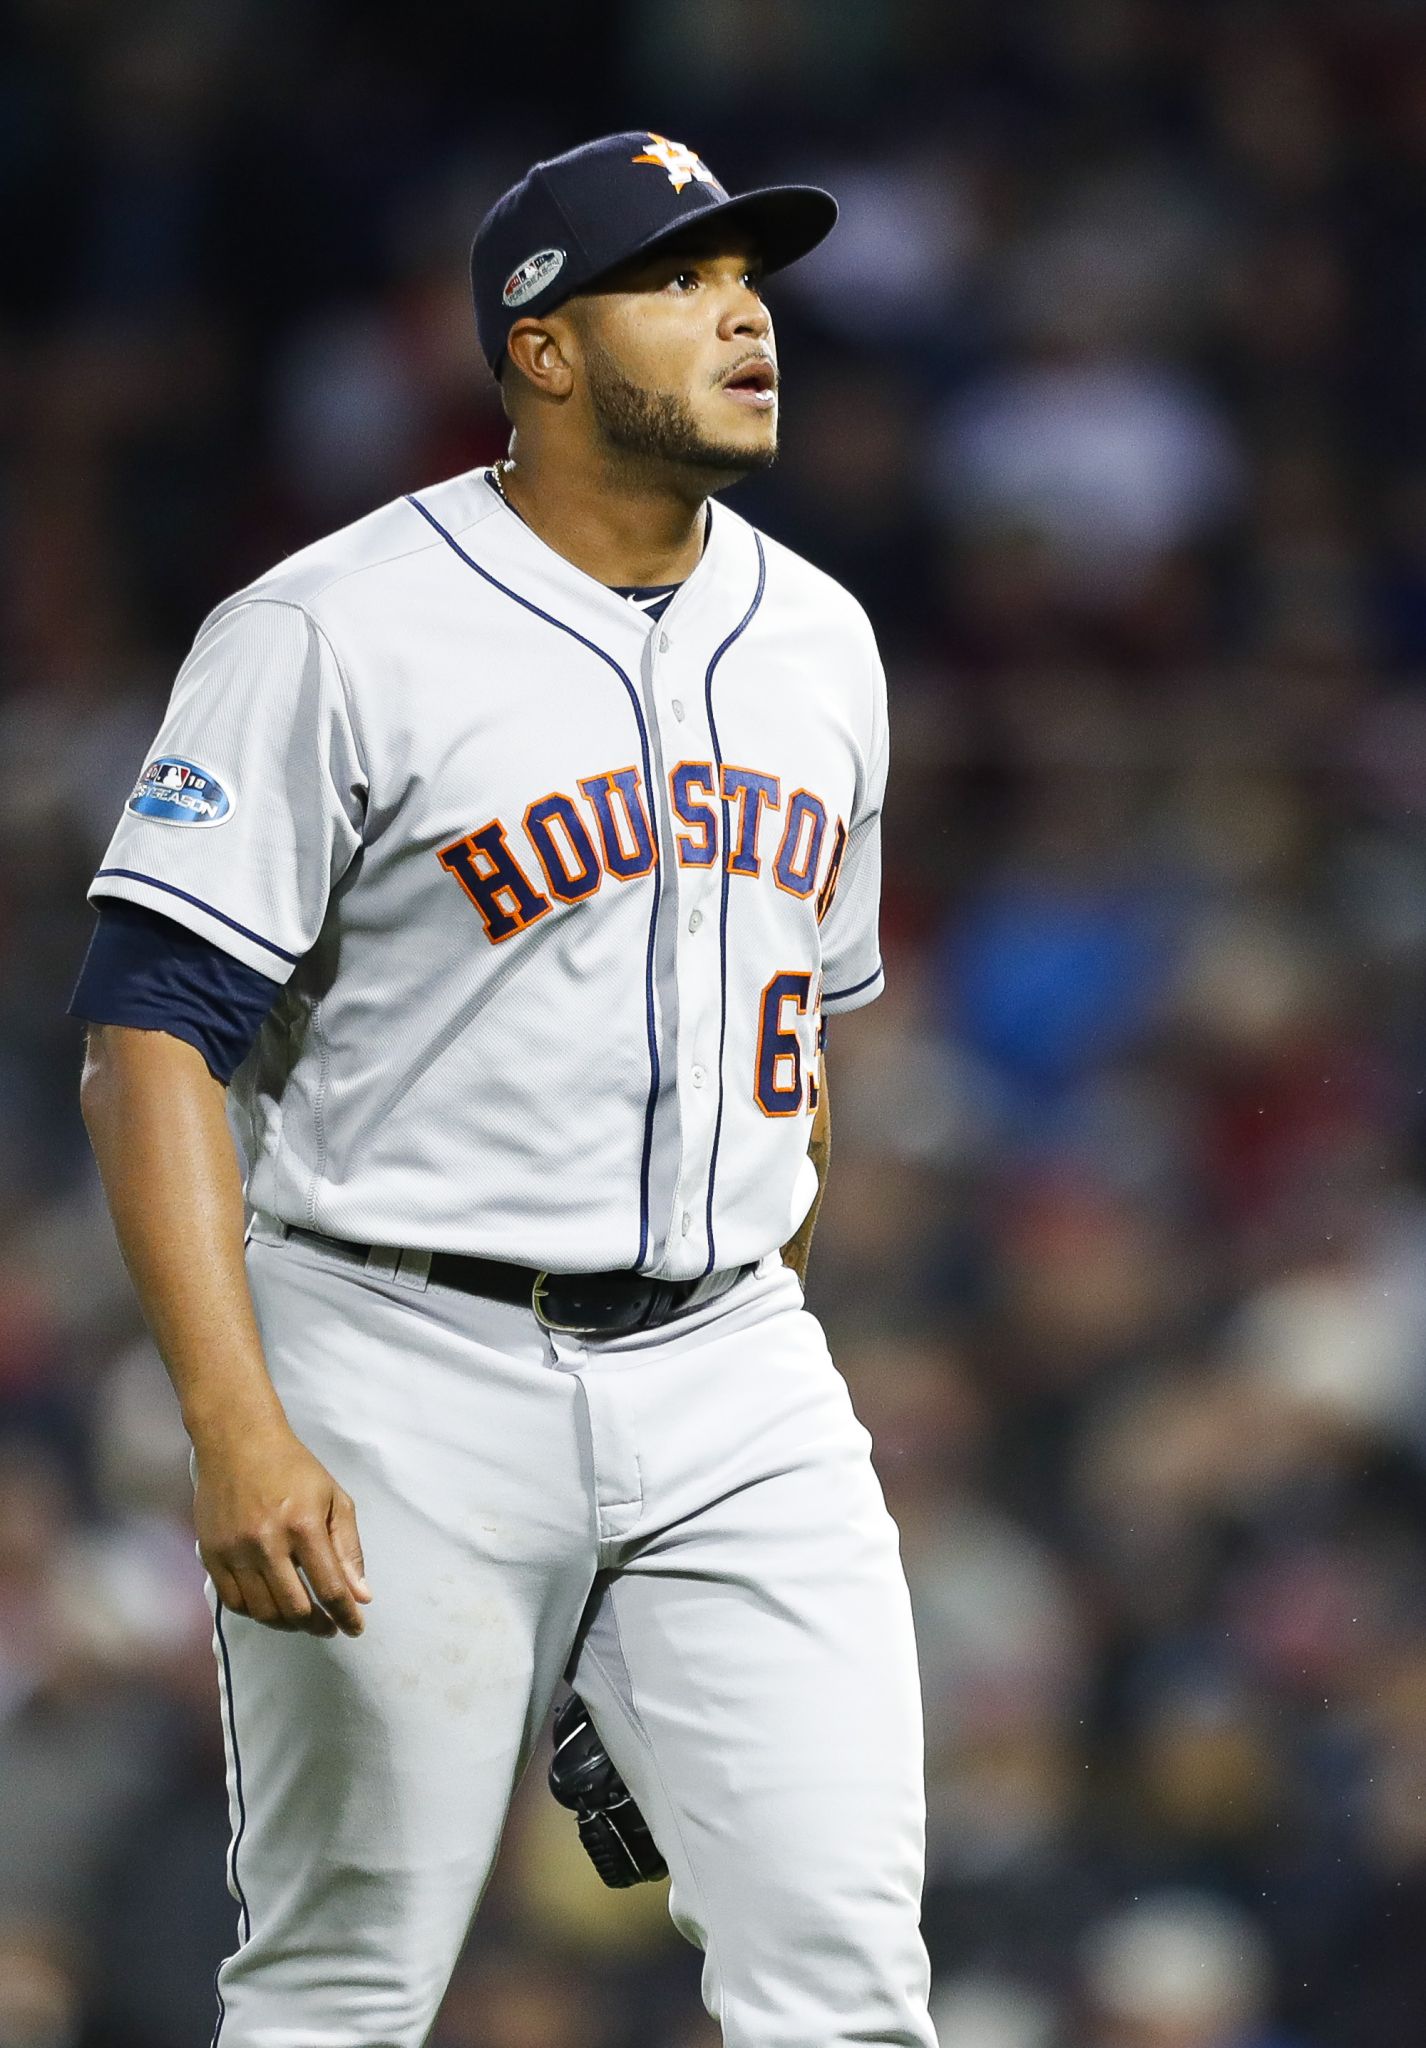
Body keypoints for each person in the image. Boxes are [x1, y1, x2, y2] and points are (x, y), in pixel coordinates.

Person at [71, 130, 936, 2047]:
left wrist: (718, 1309)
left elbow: (810, 1021)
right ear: (541, 350)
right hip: (395, 1357)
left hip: (732, 1374)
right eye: (680, 281)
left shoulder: (823, 640)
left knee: (848, 1981)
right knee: (339, 1990)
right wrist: (235, 1422)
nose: (743, 315)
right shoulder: (329, 629)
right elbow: (145, 1036)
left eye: (751, 280)